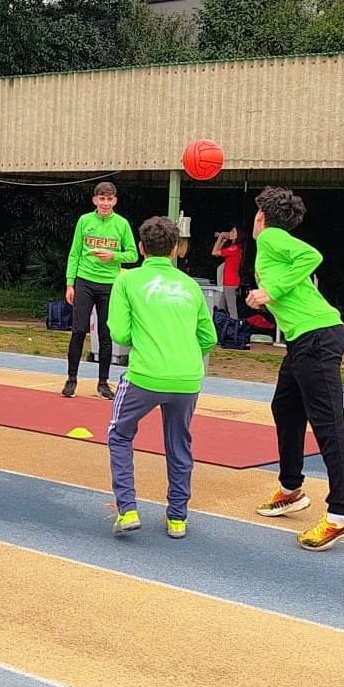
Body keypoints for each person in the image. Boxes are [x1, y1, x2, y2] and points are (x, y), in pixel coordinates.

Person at [247, 187, 344, 551]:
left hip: (317, 335)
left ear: (261, 216)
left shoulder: (271, 237)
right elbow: (292, 286)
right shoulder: (272, 246)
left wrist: (270, 291)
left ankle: (341, 516)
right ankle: (291, 489)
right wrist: (267, 296)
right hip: (303, 338)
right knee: (285, 408)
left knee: (328, 424)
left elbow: (312, 255)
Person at [107, 216, 217, 538]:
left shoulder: (127, 280)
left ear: (141, 248)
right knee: (178, 442)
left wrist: (148, 341)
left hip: (145, 374)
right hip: (187, 378)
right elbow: (208, 338)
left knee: (119, 434)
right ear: (175, 249)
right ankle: (177, 518)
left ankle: (127, 510)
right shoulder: (191, 285)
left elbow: (119, 334)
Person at [63, 181, 138, 400]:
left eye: (109, 199)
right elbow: (74, 253)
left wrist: (114, 256)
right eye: (102, 199)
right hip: (84, 281)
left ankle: (103, 383)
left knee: (106, 334)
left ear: (115, 201)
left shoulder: (122, 224)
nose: (105, 203)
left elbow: (133, 254)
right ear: (95, 200)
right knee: (78, 330)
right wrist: (70, 283)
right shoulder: (84, 220)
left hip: (109, 284)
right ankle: (71, 379)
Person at [211, 226, 245, 319]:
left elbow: (214, 252)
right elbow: (217, 253)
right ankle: (221, 324)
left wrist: (220, 237)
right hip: (229, 282)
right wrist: (222, 241)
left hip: (230, 282)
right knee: (221, 307)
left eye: (233, 232)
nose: (230, 233)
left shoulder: (234, 248)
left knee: (232, 310)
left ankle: (234, 326)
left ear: (237, 236)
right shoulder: (235, 248)